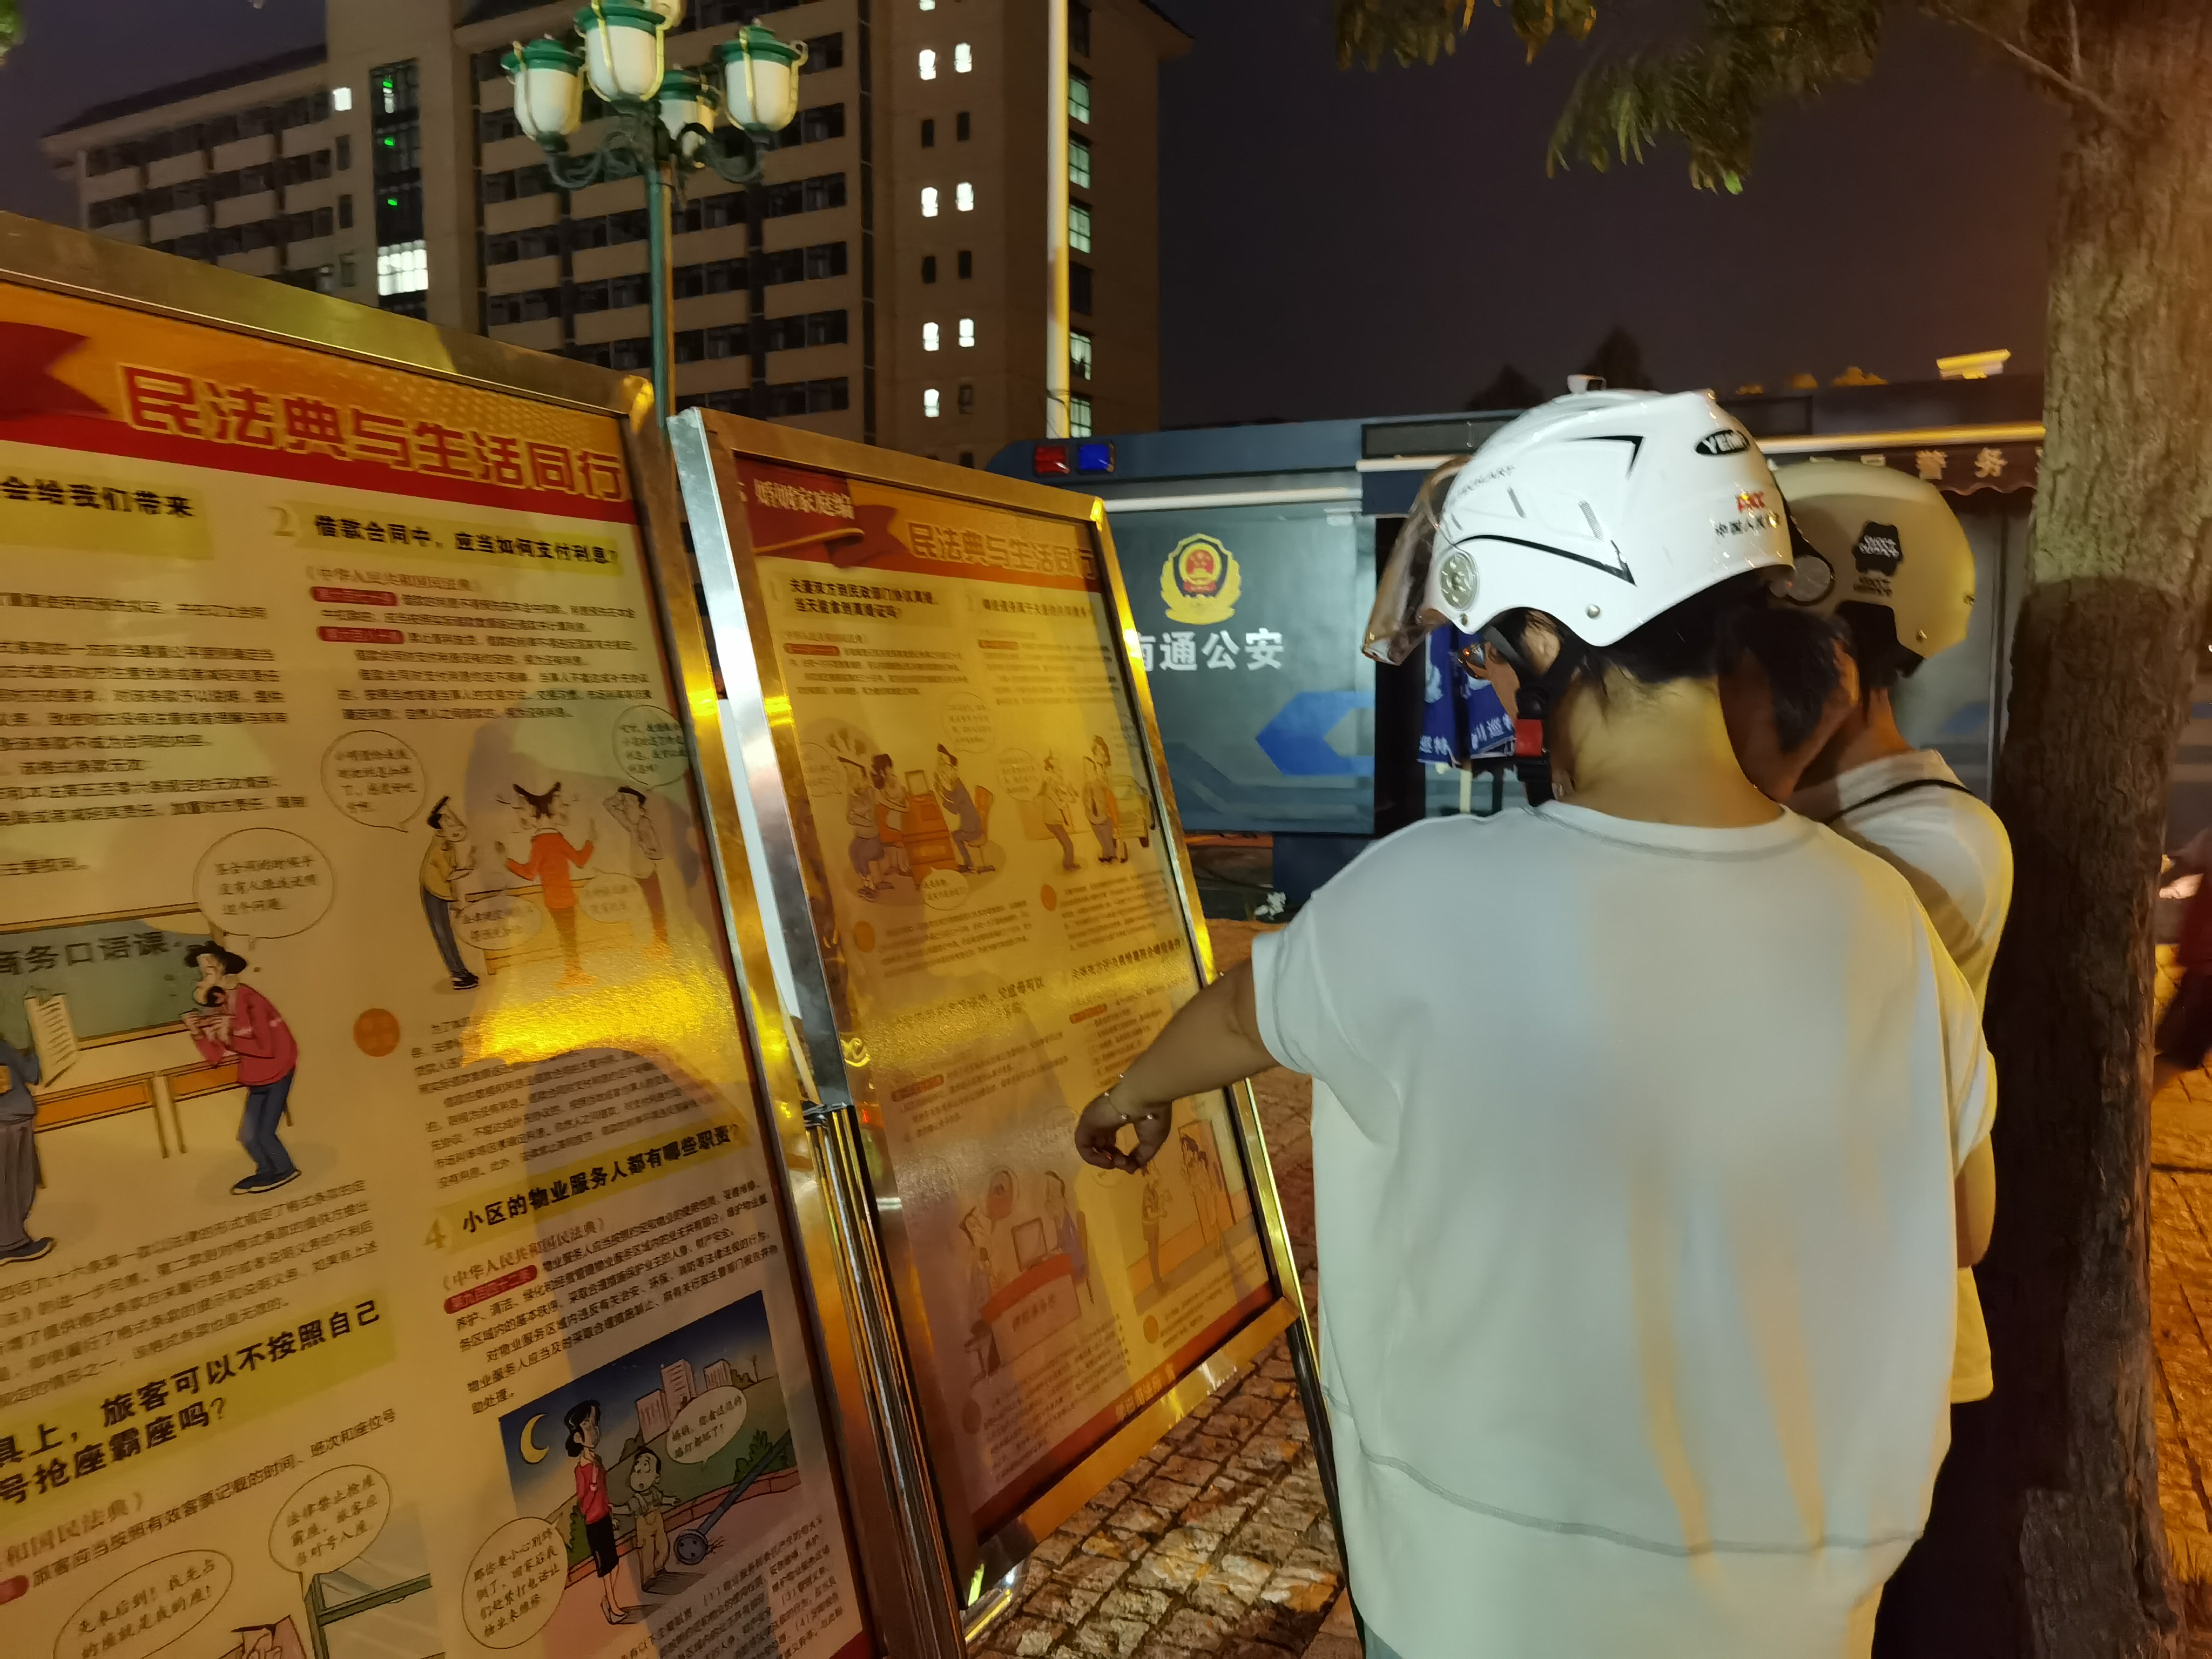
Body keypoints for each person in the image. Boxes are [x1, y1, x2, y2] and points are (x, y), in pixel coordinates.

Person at [1075, 391, 1996, 1658]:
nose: (1495, 683)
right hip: (1795, 1607)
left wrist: (1127, 1093)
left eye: (1497, 653)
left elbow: (1246, 1009)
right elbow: (1964, 1220)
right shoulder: (1879, 914)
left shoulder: (1423, 889)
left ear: (1553, 635)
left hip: (1479, 1597)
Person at [185, 943, 300, 1195]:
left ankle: (285, 1170)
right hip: (256, 1076)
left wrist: (229, 1036)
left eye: (208, 972)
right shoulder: (221, 1006)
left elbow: (266, 1048)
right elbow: (214, 1056)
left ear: (226, 973)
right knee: (247, 1136)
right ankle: (265, 1170)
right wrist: (197, 1032)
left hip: (278, 1069)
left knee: (265, 1133)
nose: (202, 979)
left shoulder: (251, 1001)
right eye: (202, 973)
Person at [501, 783, 595, 987]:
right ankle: (574, 972)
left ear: (535, 813)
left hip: (556, 898)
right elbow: (580, 860)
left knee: (567, 936)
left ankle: (574, 972)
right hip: (563, 897)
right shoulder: (552, 839)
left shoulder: (543, 841)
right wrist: (591, 842)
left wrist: (507, 861)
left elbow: (529, 873)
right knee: (568, 936)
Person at [563, 1399, 630, 1624]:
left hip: (605, 1517)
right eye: (588, 1424)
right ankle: (613, 1605)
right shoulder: (581, 1469)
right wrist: (591, 1485)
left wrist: (610, 1510)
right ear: (578, 1437)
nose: (594, 1429)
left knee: (615, 1563)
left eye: (595, 1422)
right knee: (606, 1567)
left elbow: (604, 1491)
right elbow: (583, 1501)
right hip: (594, 1523)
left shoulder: (597, 1461)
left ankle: (608, 1601)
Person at [0, 1027, 50, 1264]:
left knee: (14, 1183)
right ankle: (10, 1244)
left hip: (12, 1120)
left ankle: (10, 1240)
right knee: (14, 1184)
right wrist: (37, 1048)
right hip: (10, 1122)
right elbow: (31, 1073)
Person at [420, 796, 478, 990]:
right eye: (448, 821)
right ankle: (458, 975)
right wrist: (469, 867)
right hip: (433, 892)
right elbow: (451, 874)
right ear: (440, 826)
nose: (455, 825)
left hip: (441, 891)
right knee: (443, 934)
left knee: (447, 933)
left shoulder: (447, 844)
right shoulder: (439, 848)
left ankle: (461, 971)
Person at [604, 786, 670, 955]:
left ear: (640, 808)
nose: (625, 808)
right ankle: (657, 944)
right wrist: (619, 796)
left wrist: (645, 849)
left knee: (655, 910)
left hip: (647, 873)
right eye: (624, 804)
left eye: (629, 804)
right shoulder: (632, 825)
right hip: (638, 873)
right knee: (646, 909)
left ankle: (662, 945)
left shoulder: (644, 824)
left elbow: (659, 852)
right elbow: (608, 805)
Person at [618, 1447, 676, 1591]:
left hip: (657, 1521)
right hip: (643, 1525)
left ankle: (659, 1567)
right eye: (637, 1468)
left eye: (646, 1468)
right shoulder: (636, 1500)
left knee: (663, 1546)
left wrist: (670, 1501)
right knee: (647, 1551)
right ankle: (648, 1578)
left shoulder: (654, 1492)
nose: (640, 1470)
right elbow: (628, 1509)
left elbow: (661, 1499)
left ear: (656, 1478)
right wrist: (614, 1510)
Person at [934, 745, 992, 873]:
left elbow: (955, 809)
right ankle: (968, 864)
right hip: (971, 825)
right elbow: (952, 796)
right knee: (955, 835)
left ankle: (969, 864)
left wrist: (942, 800)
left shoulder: (960, 790)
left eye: (947, 772)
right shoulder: (958, 786)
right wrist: (941, 791)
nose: (945, 776)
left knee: (955, 836)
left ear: (953, 771)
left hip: (973, 830)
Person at [1083, 737, 1127, 863]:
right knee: (1105, 836)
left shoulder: (1106, 774)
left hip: (1108, 809)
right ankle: (1110, 854)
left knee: (1113, 833)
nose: (1099, 755)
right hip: (1098, 814)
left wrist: (1112, 813)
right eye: (1096, 753)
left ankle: (1116, 855)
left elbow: (1111, 797)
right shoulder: (1093, 778)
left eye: (1101, 752)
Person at [1040, 755, 1080, 872]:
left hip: (1055, 821)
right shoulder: (1049, 788)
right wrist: (1068, 798)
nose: (1060, 771)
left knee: (1067, 844)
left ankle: (1068, 863)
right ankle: (1068, 864)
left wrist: (1070, 794)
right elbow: (1060, 804)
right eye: (1057, 769)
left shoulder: (1056, 785)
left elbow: (1071, 797)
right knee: (1069, 845)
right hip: (1052, 822)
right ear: (1051, 771)